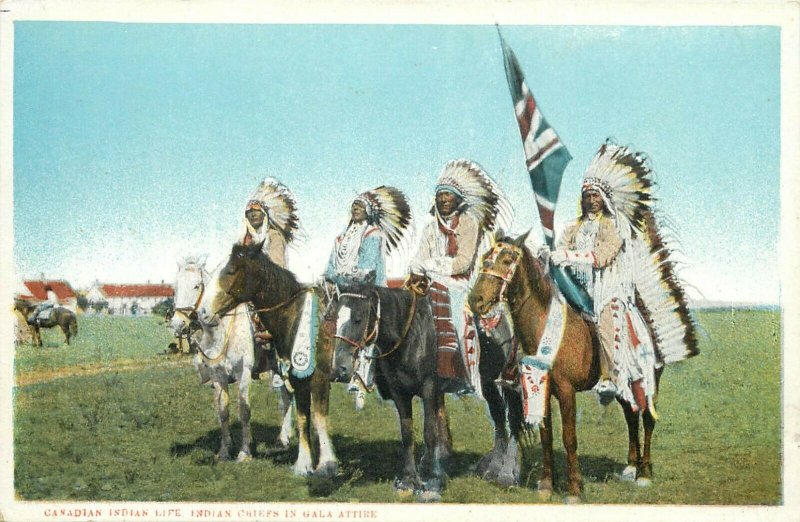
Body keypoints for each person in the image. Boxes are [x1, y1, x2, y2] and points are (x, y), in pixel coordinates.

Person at [550, 141, 662, 408]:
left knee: (606, 316)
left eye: (595, 196)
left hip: (605, 285)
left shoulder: (612, 226)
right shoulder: (574, 226)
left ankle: (608, 376)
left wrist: (567, 256)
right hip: (575, 286)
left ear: (605, 199)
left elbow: (602, 257)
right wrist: (550, 254)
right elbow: (561, 248)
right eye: (587, 196)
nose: (591, 201)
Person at [410, 159, 511, 394]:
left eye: (448, 195)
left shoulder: (468, 223)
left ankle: (466, 374)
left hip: (461, 283)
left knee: (458, 314)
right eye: (440, 195)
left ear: (458, 200)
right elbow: (419, 257)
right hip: (431, 279)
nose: (443, 199)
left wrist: (430, 266)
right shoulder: (429, 229)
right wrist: (418, 267)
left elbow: (463, 262)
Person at [325, 186, 412, 409]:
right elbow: (330, 268)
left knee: (365, 333)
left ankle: (362, 382)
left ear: (368, 211)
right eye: (353, 205)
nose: (355, 209)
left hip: (366, 292)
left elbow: (365, 270)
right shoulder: (341, 238)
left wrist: (341, 277)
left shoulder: (372, 235)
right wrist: (337, 277)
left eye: (360, 206)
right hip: (343, 291)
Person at [237, 178, 300, 383]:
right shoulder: (244, 239)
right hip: (248, 291)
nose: (253, 215)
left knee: (271, 326)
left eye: (256, 212)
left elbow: (277, 267)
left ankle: (276, 365)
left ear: (264, 215)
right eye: (249, 213)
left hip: (272, 291)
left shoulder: (274, 236)